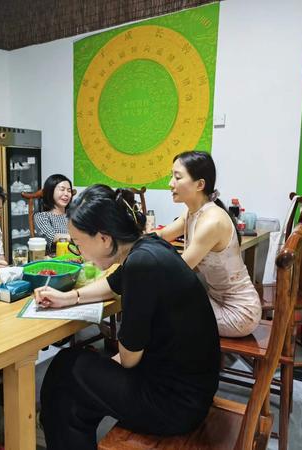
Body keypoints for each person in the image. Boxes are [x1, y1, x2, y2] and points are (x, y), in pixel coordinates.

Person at [35, 184, 220, 450]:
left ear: (103, 239)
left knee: (66, 370)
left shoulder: (141, 266)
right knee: (72, 381)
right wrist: (69, 298)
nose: (79, 252)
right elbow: (113, 284)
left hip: (175, 404)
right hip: (191, 389)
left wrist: (104, 364)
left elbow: (129, 358)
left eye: (78, 244)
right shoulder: (148, 247)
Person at [156, 151, 262, 337]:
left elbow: (179, 270)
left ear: (200, 184)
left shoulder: (212, 221)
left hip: (238, 313)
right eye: (171, 176)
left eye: (177, 177)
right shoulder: (192, 213)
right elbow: (163, 235)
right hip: (216, 300)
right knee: (165, 303)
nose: (171, 183)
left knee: (162, 310)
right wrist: (130, 240)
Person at [34, 174, 73, 252]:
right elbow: (51, 236)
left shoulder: (74, 215)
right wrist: (77, 239)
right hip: (55, 257)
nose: (66, 194)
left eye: (69, 191)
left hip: (77, 256)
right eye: (62, 189)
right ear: (51, 192)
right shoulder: (41, 216)